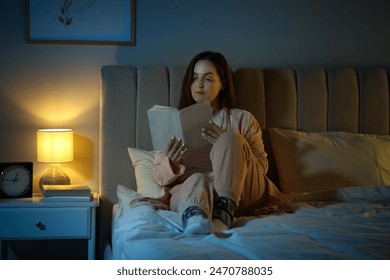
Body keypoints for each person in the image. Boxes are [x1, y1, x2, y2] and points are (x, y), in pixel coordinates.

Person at [138, 51, 293, 234]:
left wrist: (229, 144)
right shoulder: (176, 121)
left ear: (223, 83)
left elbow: (261, 169)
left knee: (230, 138)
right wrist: (171, 163)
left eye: (208, 78)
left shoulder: (242, 119)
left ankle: (223, 214)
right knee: (198, 179)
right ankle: (195, 217)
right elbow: (160, 178)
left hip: (242, 194)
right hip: (197, 192)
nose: (199, 85)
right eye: (194, 78)